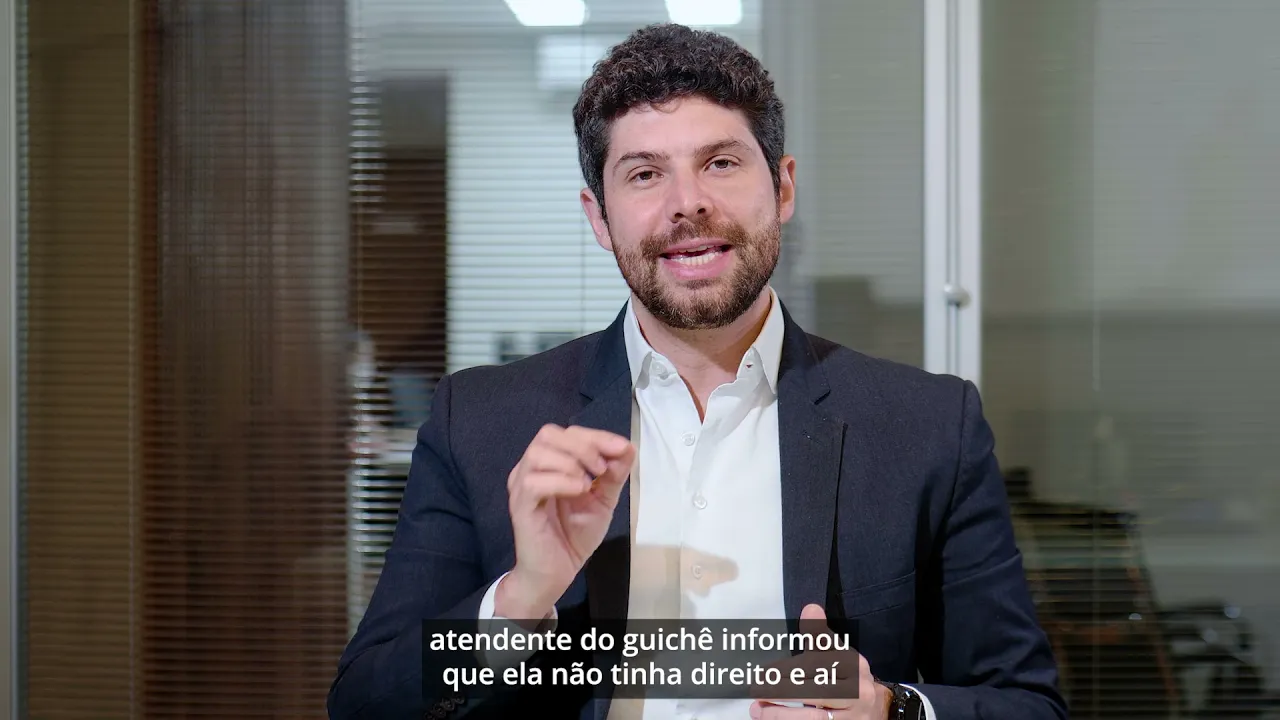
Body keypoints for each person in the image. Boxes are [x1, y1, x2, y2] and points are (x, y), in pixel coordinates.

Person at [328, 23, 1066, 720]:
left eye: (720, 163)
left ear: (782, 187)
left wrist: (887, 709)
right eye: (645, 174)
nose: (688, 204)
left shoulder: (927, 426)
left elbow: (1027, 703)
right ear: (599, 217)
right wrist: (520, 601)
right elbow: (365, 704)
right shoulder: (480, 423)